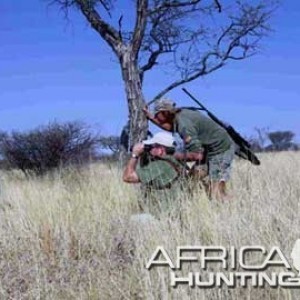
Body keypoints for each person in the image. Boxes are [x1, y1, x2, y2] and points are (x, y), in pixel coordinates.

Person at [143, 98, 235, 201]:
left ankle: (234, 206)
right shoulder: (179, 115)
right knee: (191, 180)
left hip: (220, 151)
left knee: (216, 194)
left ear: (165, 113)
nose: (156, 116)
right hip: (209, 151)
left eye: (157, 114)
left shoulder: (184, 125)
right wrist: (150, 117)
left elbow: (197, 155)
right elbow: (170, 127)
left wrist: (171, 156)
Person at [123, 131, 186, 216]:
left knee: (124, 222)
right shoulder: (174, 161)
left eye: (152, 146)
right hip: (172, 212)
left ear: (161, 150)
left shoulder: (160, 166)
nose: (149, 149)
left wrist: (135, 154)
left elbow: (128, 177)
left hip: (161, 215)